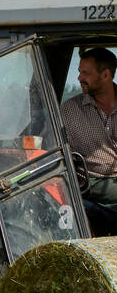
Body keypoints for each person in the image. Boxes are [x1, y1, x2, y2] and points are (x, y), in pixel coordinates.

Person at [60, 47, 117, 234]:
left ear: (106, 75)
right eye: (79, 72)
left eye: (86, 73)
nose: (79, 78)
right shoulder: (69, 110)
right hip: (94, 182)